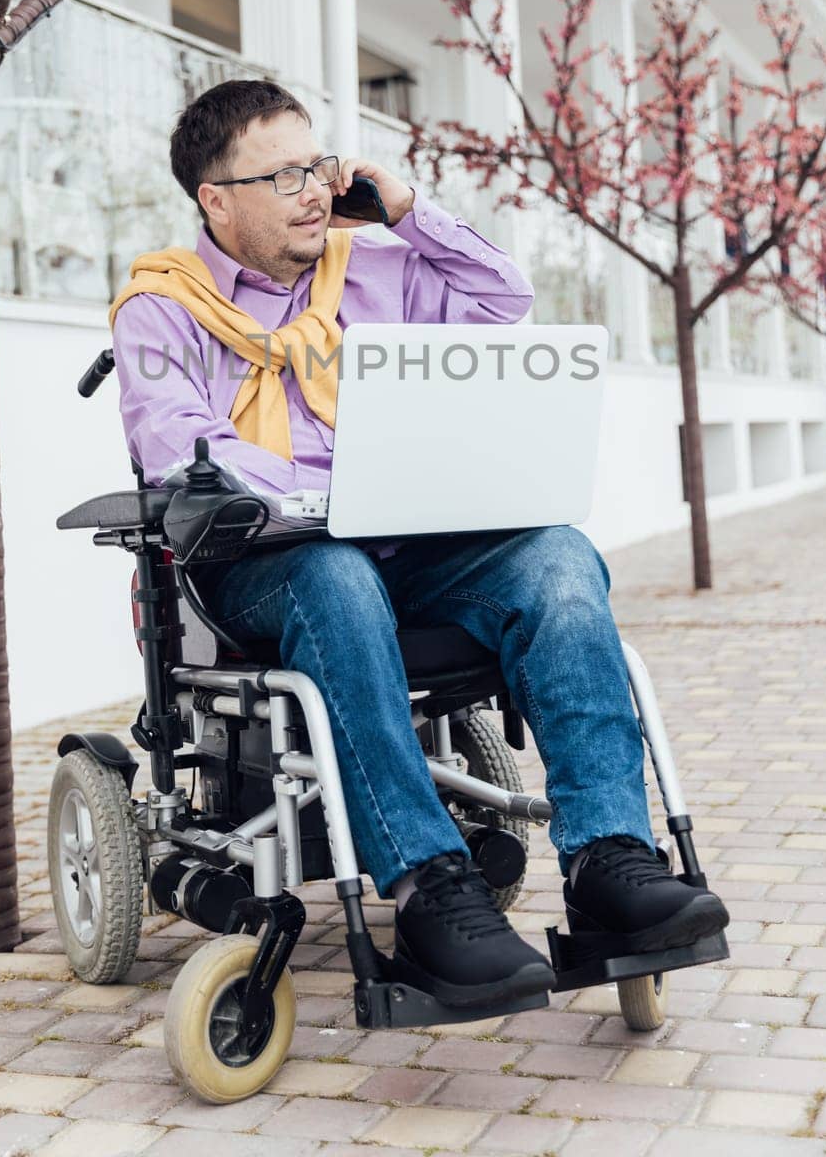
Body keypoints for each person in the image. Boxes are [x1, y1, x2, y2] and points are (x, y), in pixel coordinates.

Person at [110, 77, 728, 1008]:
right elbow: (176, 449)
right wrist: (329, 497)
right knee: (335, 570)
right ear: (215, 198)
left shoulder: (375, 265)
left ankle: (610, 860)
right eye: (283, 176)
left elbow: (503, 301)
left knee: (558, 556)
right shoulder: (160, 307)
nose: (314, 189)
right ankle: (432, 888)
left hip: (417, 548)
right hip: (264, 569)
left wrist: (406, 209)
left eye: (317, 165)